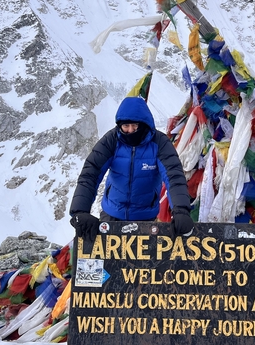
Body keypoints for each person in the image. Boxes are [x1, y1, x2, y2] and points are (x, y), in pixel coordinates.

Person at [69, 96, 194, 241]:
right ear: (119, 125)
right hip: (111, 216)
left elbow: (174, 175)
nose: (130, 130)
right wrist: (80, 211)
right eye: (125, 126)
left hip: (146, 219)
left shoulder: (159, 143)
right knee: (108, 263)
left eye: (135, 125)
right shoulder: (111, 141)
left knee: (142, 263)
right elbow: (90, 173)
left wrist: (181, 211)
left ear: (144, 124)